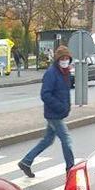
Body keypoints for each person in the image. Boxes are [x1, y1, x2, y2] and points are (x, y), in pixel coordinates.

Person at [17, 44, 74, 177]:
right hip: (54, 114)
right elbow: (45, 94)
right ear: (58, 59)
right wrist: (60, 107)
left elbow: (64, 92)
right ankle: (70, 168)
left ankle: (26, 161)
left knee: (48, 140)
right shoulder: (51, 73)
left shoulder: (64, 73)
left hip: (58, 112)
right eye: (63, 58)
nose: (65, 60)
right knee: (67, 140)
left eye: (67, 58)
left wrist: (67, 107)